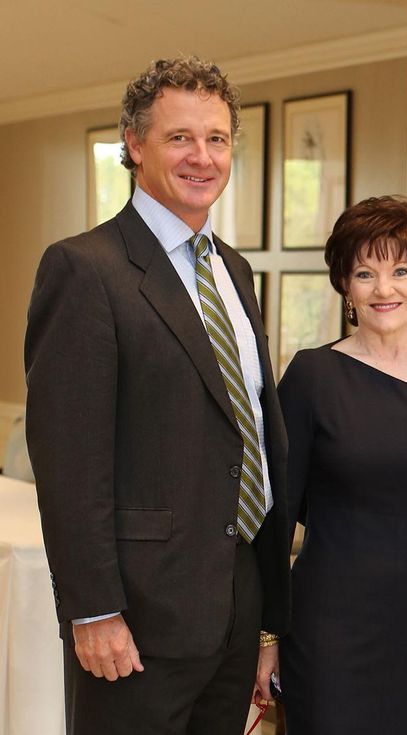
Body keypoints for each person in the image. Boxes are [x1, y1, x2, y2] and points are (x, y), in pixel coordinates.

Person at [24, 56, 290, 735]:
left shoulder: (234, 271)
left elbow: (246, 432)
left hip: (233, 607)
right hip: (136, 620)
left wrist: (264, 618)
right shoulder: (85, 269)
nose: (202, 157)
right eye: (180, 138)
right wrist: (93, 609)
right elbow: (69, 461)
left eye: (217, 138)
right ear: (135, 144)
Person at [274, 195, 407, 734]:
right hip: (325, 628)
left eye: (401, 271)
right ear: (346, 286)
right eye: (365, 273)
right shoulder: (312, 376)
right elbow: (275, 519)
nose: (384, 289)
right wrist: (265, 638)